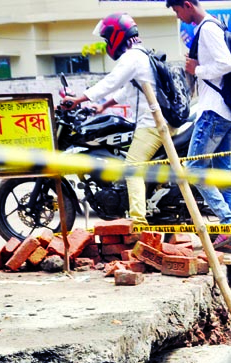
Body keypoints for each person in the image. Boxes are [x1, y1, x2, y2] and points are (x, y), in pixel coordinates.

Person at [64, 13, 166, 228]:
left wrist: (79, 99)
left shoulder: (132, 57)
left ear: (117, 36)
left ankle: (138, 222)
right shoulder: (142, 54)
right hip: (154, 121)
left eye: (108, 39)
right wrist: (103, 106)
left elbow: (111, 82)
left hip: (152, 124)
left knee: (131, 167)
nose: (108, 43)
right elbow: (128, 89)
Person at [166, 0, 231, 253]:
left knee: (194, 168)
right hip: (227, 111)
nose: (179, 16)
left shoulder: (207, 28)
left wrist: (196, 68)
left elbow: (227, 65)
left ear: (187, 4)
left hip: (214, 111)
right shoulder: (214, 25)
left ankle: (230, 222)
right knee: (223, 173)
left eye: (178, 10)